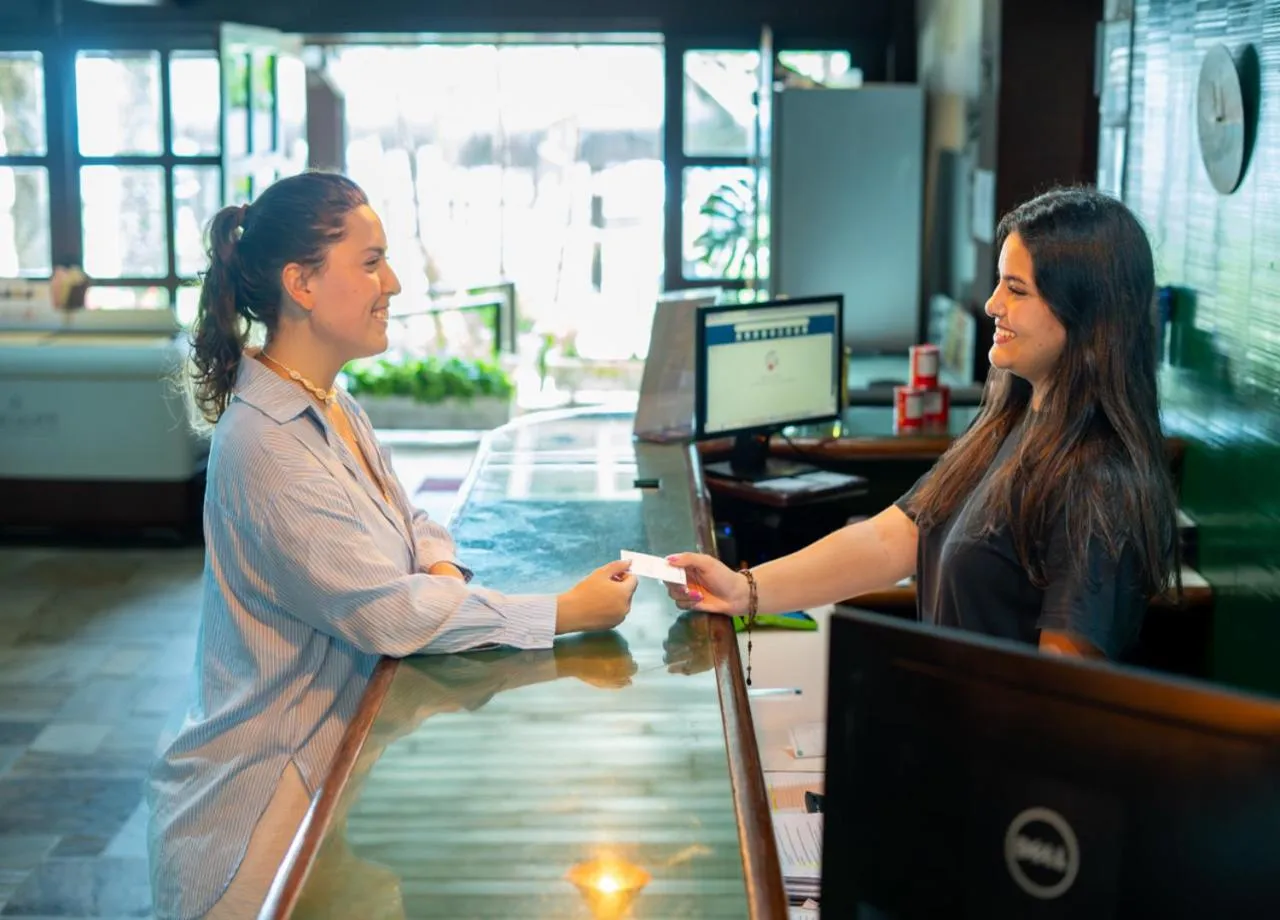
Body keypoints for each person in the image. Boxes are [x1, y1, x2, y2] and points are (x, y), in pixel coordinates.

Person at [146, 171, 638, 920]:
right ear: (302, 283)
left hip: (326, 783)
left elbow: (412, 523)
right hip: (255, 819)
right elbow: (387, 613)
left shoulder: (328, 400)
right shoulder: (265, 444)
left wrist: (437, 571)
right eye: (371, 261)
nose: (395, 282)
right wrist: (563, 611)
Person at [667, 186, 1179, 660]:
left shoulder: (1098, 481)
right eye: (999, 282)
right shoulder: (1011, 423)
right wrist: (744, 589)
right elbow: (892, 539)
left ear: (1084, 312)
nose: (992, 305)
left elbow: (1057, 699)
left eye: (1017, 290)